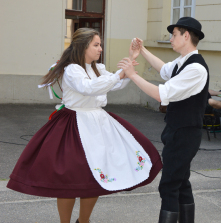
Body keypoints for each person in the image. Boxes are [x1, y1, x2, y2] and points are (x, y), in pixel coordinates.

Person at [6, 28, 162, 223]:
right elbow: (88, 88)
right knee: (69, 179)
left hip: (98, 125)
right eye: (96, 45)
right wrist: (119, 75)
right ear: (83, 46)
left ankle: (84, 220)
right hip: (74, 127)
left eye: (100, 44)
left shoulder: (98, 68)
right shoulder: (72, 69)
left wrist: (129, 64)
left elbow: (113, 85)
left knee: (94, 177)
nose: (100, 49)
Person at [118, 17, 207, 223]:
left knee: (169, 185)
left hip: (185, 134)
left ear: (186, 36)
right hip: (177, 131)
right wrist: (144, 49)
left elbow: (162, 94)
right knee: (181, 182)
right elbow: (165, 69)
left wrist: (132, 75)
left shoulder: (196, 68)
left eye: (174, 34)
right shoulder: (183, 62)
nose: (170, 39)